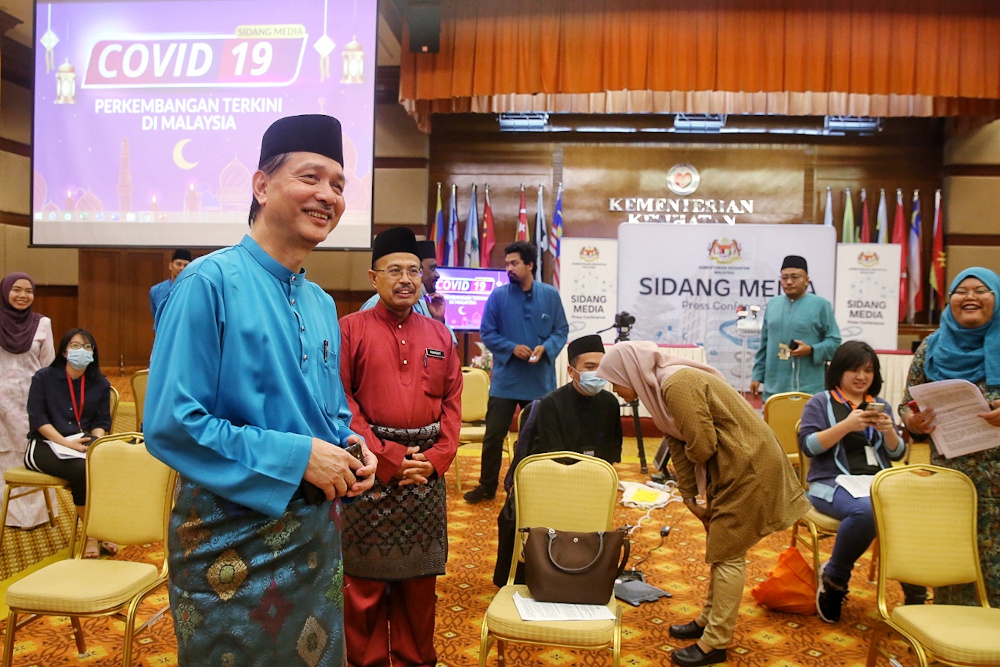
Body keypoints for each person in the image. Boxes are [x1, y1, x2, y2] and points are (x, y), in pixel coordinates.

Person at [144, 114, 376, 666]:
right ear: (261, 185)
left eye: (339, 186)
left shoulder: (320, 303)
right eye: (311, 178)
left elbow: (324, 415)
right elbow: (171, 423)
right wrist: (299, 457)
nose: (328, 196)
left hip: (314, 537)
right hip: (229, 543)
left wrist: (351, 445)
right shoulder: (207, 284)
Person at [598, 341, 809, 667]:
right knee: (722, 548)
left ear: (630, 372)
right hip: (731, 465)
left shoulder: (676, 384)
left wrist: (702, 490)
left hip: (748, 465)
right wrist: (689, 497)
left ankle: (715, 643)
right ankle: (708, 621)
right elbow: (678, 444)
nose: (614, 389)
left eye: (615, 379)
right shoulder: (659, 392)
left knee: (727, 553)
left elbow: (703, 445)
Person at [339, 226, 462, 667]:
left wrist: (435, 461)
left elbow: (452, 403)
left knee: (418, 591)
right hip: (369, 473)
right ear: (374, 277)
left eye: (413, 270)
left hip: (425, 480)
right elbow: (341, 402)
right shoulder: (349, 330)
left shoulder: (441, 335)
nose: (406, 278)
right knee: (363, 591)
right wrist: (387, 458)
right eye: (395, 270)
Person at [798, 340, 925, 623]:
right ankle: (834, 579)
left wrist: (890, 431)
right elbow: (808, 446)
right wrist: (846, 426)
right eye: (854, 370)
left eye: (868, 370)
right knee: (867, 510)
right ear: (839, 372)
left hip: (875, 483)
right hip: (829, 483)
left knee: (914, 507)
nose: (861, 377)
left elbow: (899, 454)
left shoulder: (881, 406)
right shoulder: (821, 402)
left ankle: (914, 587)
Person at [900, 266, 1000, 607]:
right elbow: (905, 406)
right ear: (951, 300)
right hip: (952, 480)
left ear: (996, 298)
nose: (970, 297)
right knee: (953, 564)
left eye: (981, 290)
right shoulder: (931, 346)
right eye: (961, 291)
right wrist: (914, 422)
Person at [493, 333, 622, 586]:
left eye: (602, 366)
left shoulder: (610, 403)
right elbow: (553, 458)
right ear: (572, 371)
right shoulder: (551, 404)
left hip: (594, 486)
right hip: (555, 484)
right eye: (589, 367)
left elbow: (611, 457)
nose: (597, 373)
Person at [463, 240, 568, 504]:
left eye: (514, 263)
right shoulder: (498, 296)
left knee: (539, 437)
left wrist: (546, 347)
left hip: (539, 382)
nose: (508, 268)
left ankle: (533, 486)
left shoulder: (550, 295)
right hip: (506, 382)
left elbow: (561, 331)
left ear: (530, 265)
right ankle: (487, 487)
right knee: (493, 435)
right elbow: (487, 332)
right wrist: (511, 348)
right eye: (507, 263)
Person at [24, 328, 113, 558]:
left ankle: (105, 527)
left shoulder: (100, 383)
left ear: (93, 353)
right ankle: (93, 534)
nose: (81, 351)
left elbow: (101, 421)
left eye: (87, 347)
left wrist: (97, 444)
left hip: (81, 443)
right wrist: (65, 442)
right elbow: (38, 419)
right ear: (64, 351)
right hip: (45, 444)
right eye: (75, 346)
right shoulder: (44, 378)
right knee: (83, 471)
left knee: (110, 464)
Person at [0, 272, 56, 528]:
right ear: (5, 291)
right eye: (16, 290)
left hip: (31, 403)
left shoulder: (42, 323)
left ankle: (35, 516)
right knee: (3, 453)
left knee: (30, 452)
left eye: (29, 291)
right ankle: (4, 513)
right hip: (1, 400)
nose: (23, 295)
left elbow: (48, 367)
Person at [751, 255, 841, 401]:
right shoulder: (773, 304)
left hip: (809, 389)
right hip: (775, 388)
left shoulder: (821, 305)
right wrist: (757, 375)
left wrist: (811, 350)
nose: (789, 282)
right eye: (784, 277)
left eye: (795, 277)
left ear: (806, 280)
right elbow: (765, 345)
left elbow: (835, 342)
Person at [359, 239, 456, 344]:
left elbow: (449, 346)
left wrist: (438, 319)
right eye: (395, 271)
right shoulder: (375, 304)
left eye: (412, 271)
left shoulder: (425, 305)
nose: (437, 275)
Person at [148, 248, 192, 317]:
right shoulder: (156, 290)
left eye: (186, 265)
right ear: (171, 266)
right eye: (178, 264)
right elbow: (156, 317)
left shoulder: (193, 290)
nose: (182, 268)